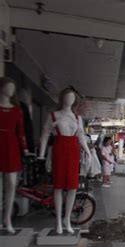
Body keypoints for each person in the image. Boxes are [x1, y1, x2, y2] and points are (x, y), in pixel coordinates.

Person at [39, 87, 91, 234]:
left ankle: (67, 219)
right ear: (62, 98)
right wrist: (42, 154)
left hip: (73, 152)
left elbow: (81, 136)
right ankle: (58, 222)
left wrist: (87, 152)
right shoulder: (53, 115)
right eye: (67, 97)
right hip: (59, 150)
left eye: (72, 97)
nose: (70, 100)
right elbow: (44, 134)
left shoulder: (77, 118)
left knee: (73, 187)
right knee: (59, 186)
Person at [0, 77, 31, 233]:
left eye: (13, 88)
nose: (11, 90)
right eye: (8, 87)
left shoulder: (17, 110)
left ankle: (7, 218)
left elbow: (21, 132)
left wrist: (24, 148)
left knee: (11, 184)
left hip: (11, 146)